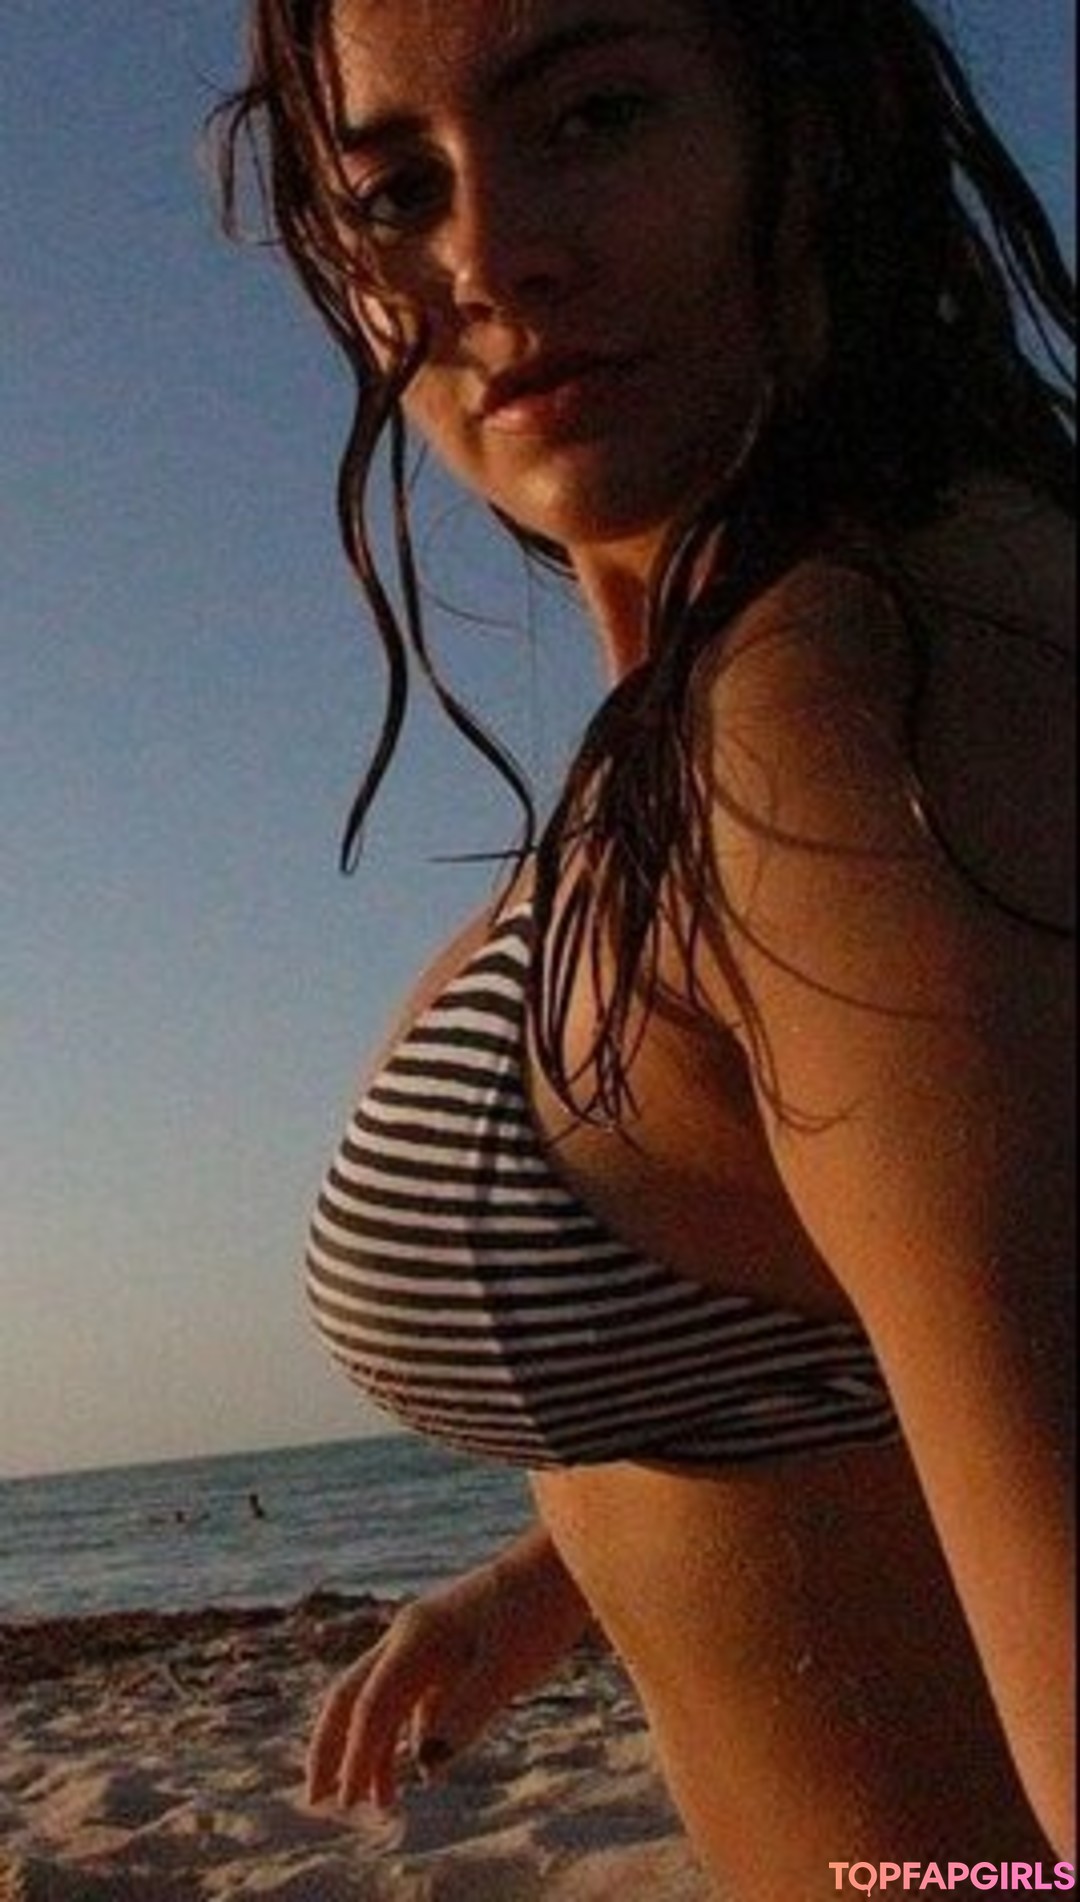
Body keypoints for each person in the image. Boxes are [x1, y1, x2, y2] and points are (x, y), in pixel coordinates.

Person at [214, 1, 1075, 1892]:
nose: (488, 254)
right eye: (396, 189)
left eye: (594, 116)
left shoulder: (852, 702)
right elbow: (876, 1334)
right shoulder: (747, 662)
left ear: (814, 124)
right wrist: (551, 1579)